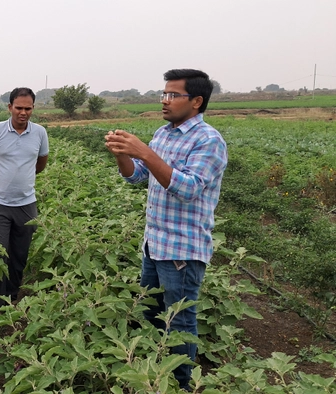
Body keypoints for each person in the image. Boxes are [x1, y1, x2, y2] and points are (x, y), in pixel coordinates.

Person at [104, 69, 227, 390]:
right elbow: (136, 176)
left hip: (182, 250)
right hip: (154, 244)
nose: (165, 100)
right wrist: (122, 155)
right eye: (164, 94)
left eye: (174, 95)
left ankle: (182, 384)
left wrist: (144, 151)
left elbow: (188, 188)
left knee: (179, 321)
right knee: (149, 313)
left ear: (197, 101)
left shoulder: (209, 140)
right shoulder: (163, 134)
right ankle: (153, 377)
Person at [0, 87, 49, 310]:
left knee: (20, 253)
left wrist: (22, 177)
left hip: (26, 204)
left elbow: (41, 163)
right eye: (19, 108)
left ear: (33, 108)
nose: (23, 112)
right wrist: (0, 176)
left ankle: (13, 295)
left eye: (28, 108)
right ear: (10, 107)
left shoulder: (39, 133)